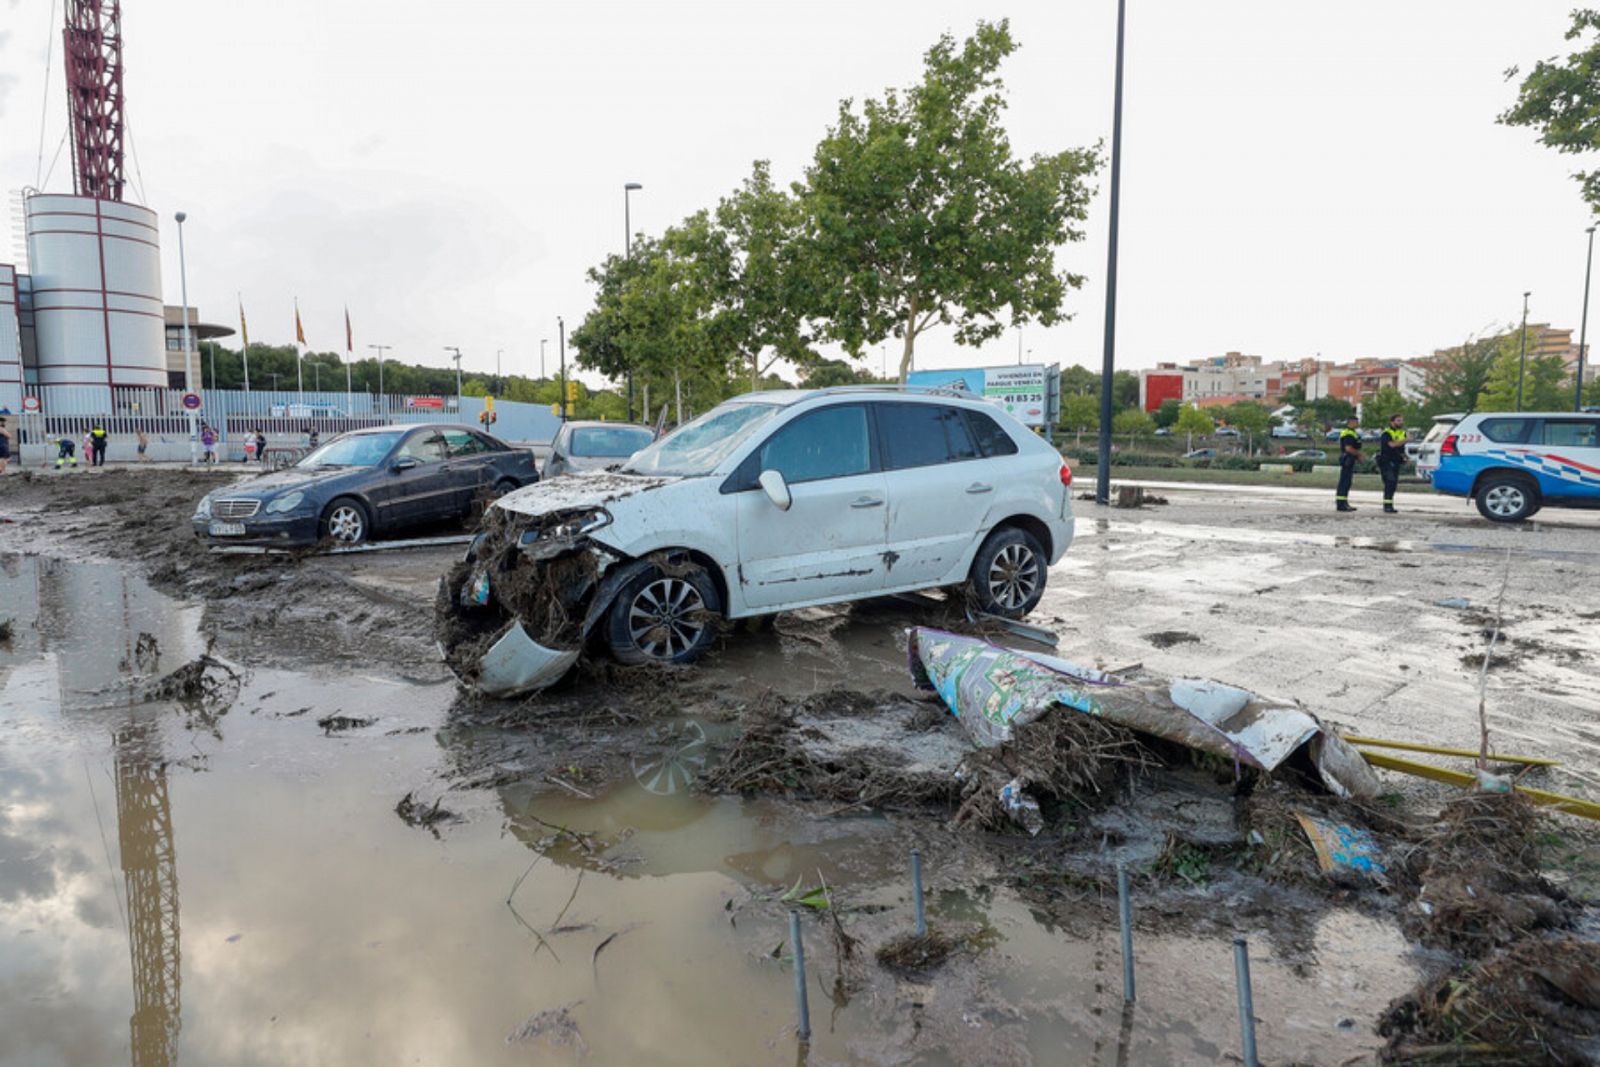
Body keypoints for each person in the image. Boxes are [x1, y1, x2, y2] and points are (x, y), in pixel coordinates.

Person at [1376, 413, 1408, 514]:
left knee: (1393, 484)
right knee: (1390, 481)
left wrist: (1405, 457)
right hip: (1386, 460)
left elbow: (1401, 448)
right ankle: (1387, 506)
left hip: (1396, 461)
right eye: (1398, 420)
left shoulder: (1402, 433)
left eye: (1402, 420)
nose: (1401, 422)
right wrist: (1406, 440)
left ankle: (1390, 504)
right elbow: (1392, 445)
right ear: (1392, 422)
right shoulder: (1386, 433)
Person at [1335, 416, 1362, 513]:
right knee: (1344, 481)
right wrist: (1359, 455)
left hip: (1350, 459)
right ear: (1351, 422)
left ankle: (1344, 502)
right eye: (1356, 422)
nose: (1358, 424)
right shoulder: (1348, 434)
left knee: (1347, 481)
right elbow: (1348, 448)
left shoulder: (1353, 433)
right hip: (1347, 458)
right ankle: (1341, 504)